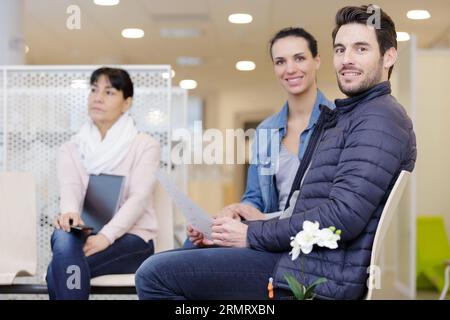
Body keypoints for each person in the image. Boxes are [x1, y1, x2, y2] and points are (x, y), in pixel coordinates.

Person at [136, 5, 417, 300]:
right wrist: (234, 227)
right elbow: (298, 208)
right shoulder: (343, 118)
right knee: (188, 252)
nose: (346, 60)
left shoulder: (376, 119)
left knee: (154, 274)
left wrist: (250, 235)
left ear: (389, 56)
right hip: (299, 258)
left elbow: (342, 216)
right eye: (340, 49)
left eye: (361, 49)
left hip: (309, 272)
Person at [186, 27, 335, 248]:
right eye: (280, 61)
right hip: (265, 234)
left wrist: (260, 223)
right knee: (194, 244)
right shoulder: (266, 130)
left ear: (317, 61)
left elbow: (333, 205)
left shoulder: (338, 123)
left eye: (300, 58)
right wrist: (236, 212)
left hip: (301, 240)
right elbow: (254, 198)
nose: (290, 69)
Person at [46, 67, 160, 300]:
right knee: (62, 235)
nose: (97, 97)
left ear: (126, 103)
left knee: (58, 270)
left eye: (109, 92)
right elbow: (71, 188)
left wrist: (106, 237)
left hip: (132, 238)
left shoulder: (145, 145)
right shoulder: (71, 148)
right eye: (94, 89)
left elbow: (138, 199)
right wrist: (69, 214)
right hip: (86, 234)